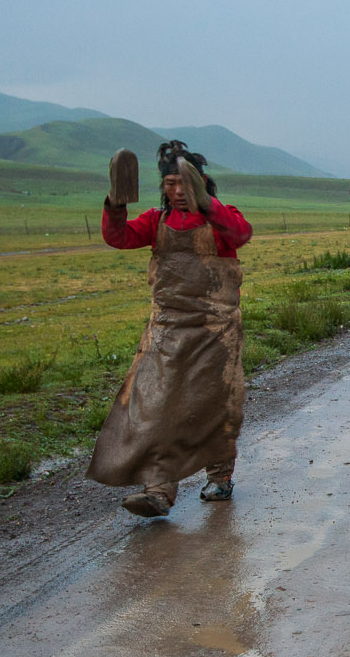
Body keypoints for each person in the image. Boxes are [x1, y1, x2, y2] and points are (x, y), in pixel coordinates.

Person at [88, 141, 253, 517]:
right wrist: (115, 203)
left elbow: (241, 234)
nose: (177, 192)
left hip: (215, 332)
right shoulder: (155, 221)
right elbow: (118, 237)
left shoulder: (222, 217)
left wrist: (208, 206)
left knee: (212, 407)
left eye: (185, 183)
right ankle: (159, 489)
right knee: (156, 407)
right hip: (165, 330)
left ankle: (220, 478)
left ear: (200, 182)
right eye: (170, 184)